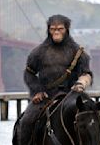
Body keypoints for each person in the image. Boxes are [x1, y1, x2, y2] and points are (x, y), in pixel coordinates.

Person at [17, 14, 93, 144]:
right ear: (48, 30)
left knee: (92, 117)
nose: (56, 32)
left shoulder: (77, 52)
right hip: (46, 97)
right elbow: (29, 73)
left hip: (71, 95)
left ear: (67, 29)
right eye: (53, 29)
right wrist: (37, 91)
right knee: (26, 121)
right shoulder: (38, 52)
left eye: (60, 29)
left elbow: (87, 74)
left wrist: (81, 83)